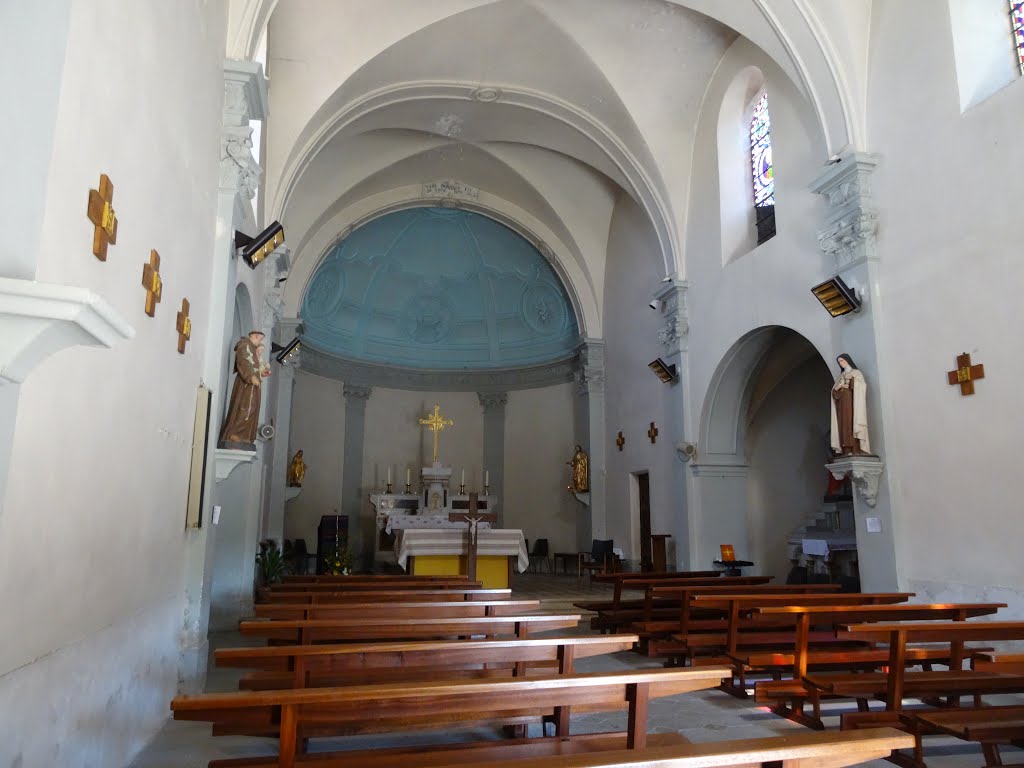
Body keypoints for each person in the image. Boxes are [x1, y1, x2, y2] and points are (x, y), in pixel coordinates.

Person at [218, 330, 267, 449]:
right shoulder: (244, 345)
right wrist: (250, 376)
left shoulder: (251, 347)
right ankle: (234, 433)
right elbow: (243, 361)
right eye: (260, 339)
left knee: (252, 408)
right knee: (245, 407)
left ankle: (243, 434)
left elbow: (255, 365)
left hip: (253, 385)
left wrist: (261, 372)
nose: (260, 342)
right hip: (247, 384)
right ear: (255, 336)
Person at [830, 353, 871, 456]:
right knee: (843, 425)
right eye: (839, 362)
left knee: (851, 423)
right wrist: (838, 388)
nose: (841, 363)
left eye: (842, 361)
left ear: (848, 360)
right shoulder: (840, 376)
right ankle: (846, 449)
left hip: (852, 405)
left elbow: (862, 386)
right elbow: (834, 393)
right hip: (842, 406)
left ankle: (855, 448)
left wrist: (851, 381)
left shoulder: (856, 373)